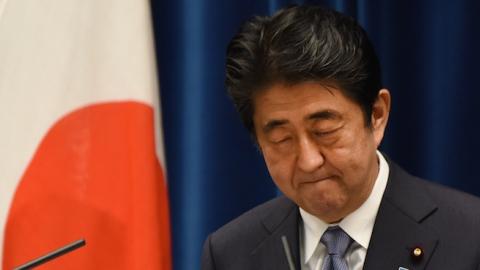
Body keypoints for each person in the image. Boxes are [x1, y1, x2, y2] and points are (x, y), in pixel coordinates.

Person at [201, 5, 480, 270]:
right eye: (282, 139)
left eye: (324, 131)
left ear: (377, 115)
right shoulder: (230, 254)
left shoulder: (470, 238)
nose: (309, 161)